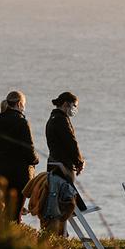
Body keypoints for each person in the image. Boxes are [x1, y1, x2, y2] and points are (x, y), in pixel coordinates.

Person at [0, 90, 39, 222]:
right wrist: (35, 160)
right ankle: (12, 239)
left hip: (2, 171)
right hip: (20, 174)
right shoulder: (22, 123)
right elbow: (29, 148)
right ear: (19, 103)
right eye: (24, 104)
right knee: (16, 213)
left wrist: (2, 158)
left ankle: (4, 235)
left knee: (8, 209)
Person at [43, 92, 85, 233]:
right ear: (66, 104)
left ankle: (61, 232)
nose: (75, 109)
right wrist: (79, 162)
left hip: (53, 164)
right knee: (66, 202)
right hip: (64, 167)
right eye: (74, 106)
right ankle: (61, 232)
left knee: (58, 201)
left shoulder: (52, 118)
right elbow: (71, 143)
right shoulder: (61, 120)